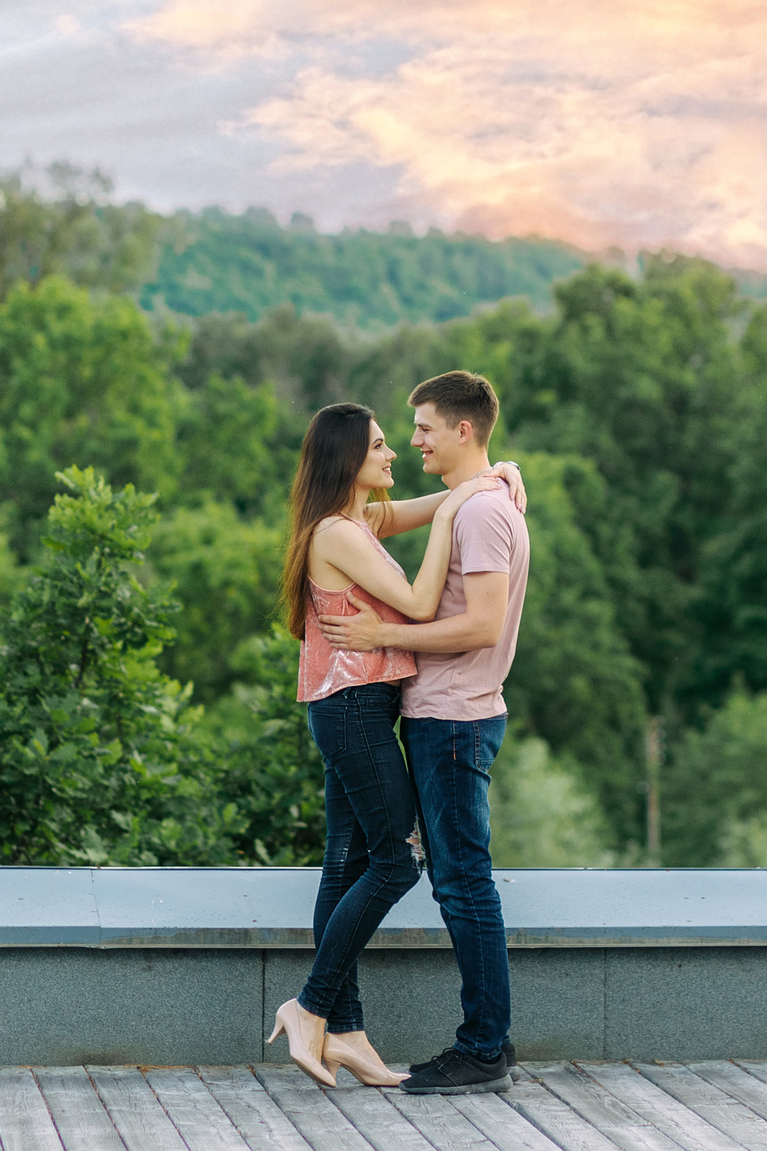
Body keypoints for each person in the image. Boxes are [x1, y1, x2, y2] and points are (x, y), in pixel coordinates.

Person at [266, 400, 524, 1088]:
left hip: (355, 708)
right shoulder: (338, 532)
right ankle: (311, 1005)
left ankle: (345, 1029)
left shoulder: (361, 520)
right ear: (348, 458)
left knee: (344, 863)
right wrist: (452, 511)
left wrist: (495, 473)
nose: (394, 452)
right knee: (397, 863)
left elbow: (442, 496)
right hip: (354, 710)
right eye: (379, 444)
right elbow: (416, 602)